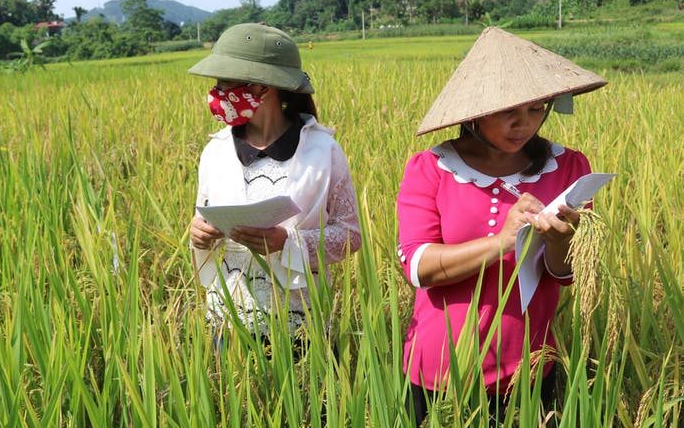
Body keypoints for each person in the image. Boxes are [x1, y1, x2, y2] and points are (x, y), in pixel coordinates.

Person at [396, 27, 607, 425]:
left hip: (529, 365)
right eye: (508, 110)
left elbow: (567, 274)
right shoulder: (431, 170)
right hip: (440, 369)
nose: (523, 124)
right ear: (474, 113)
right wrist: (503, 241)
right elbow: (418, 267)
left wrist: (561, 242)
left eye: (535, 109)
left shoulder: (569, 167)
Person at [188, 23, 361, 349]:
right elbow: (203, 220)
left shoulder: (323, 152)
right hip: (229, 324)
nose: (216, 93)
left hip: (301, 326)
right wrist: (199, 234)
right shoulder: (215, 151)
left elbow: (350, 237)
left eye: (225, 83)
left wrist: (288, 241)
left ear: (262, 89)